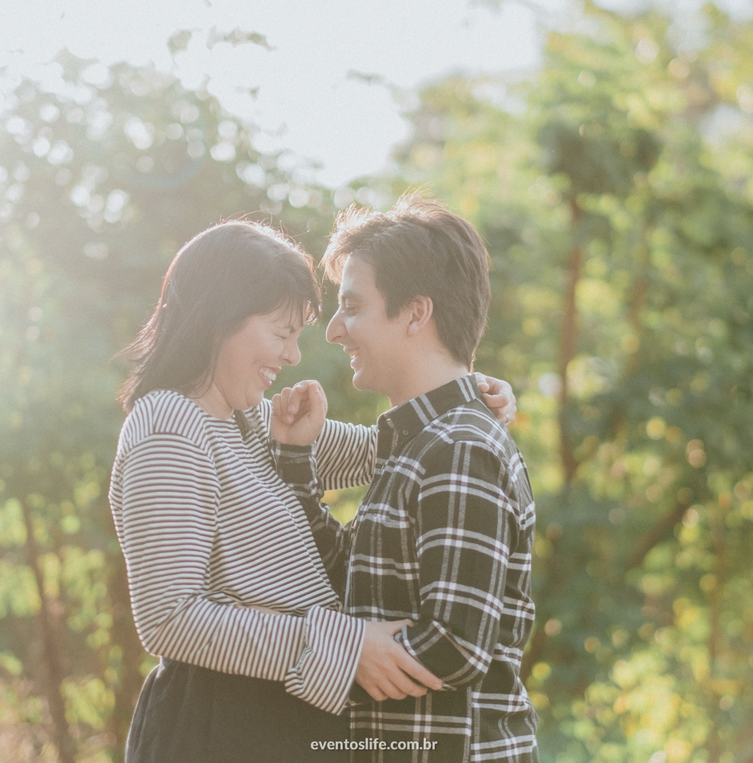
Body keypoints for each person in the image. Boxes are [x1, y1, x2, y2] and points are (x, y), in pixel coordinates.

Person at [109, 220, 516, 763]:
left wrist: (471, 396)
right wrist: (345, 647)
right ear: (215, 319)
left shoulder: (254, 421)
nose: (293, 355)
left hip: (286, 717)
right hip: (214, 723)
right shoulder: (170, 426)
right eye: (282, 332)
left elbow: (400, 452)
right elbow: (168, 617)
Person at [269, 196, 538, 762]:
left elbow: (456, 645)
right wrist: (294, 461)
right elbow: (350, 584)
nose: (334, 331)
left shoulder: (458, 448)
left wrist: (311, 664)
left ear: (416, 313)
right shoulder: (420, 446)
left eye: (352, 306)